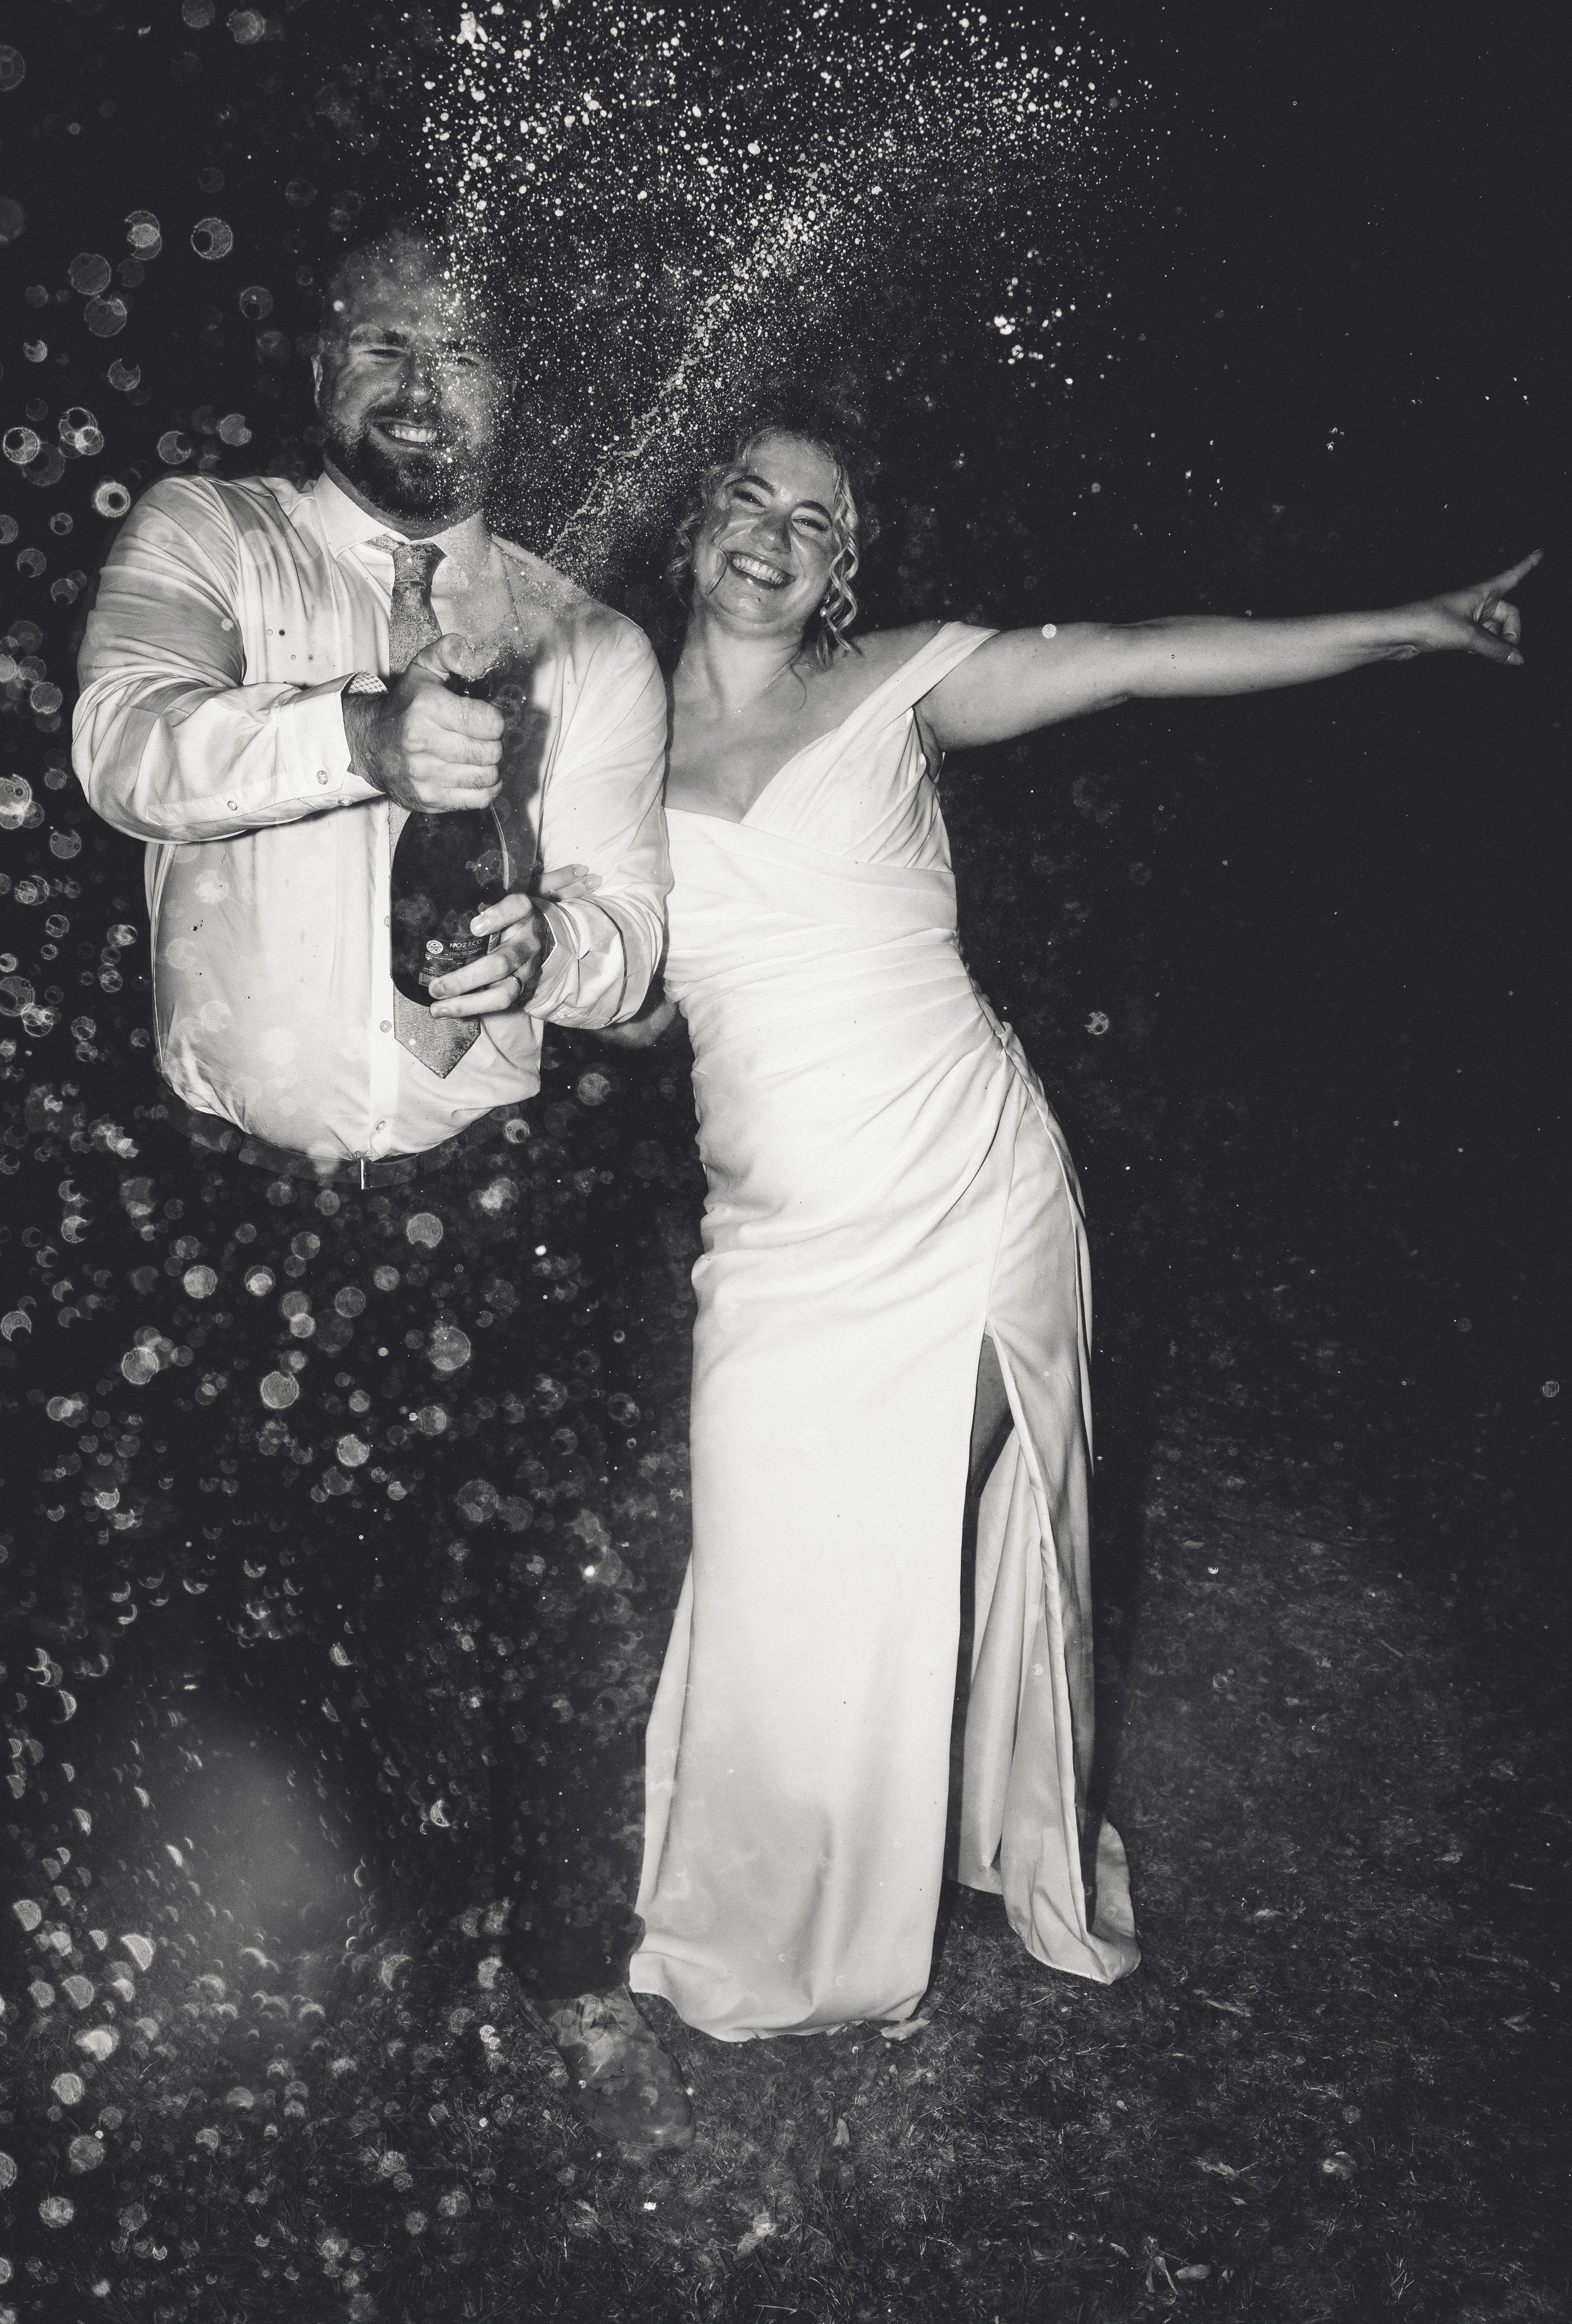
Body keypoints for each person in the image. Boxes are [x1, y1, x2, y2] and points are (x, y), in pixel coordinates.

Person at [620, 409, 1537, 2043]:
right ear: (698, 526)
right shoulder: (606, 750)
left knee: (893, 1548)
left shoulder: (897, 685)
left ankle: (870, 1923)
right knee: (773, 1564)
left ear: (845, 573)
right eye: (748, 499)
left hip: (969, 1192)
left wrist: (1395, 624)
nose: (772, 533)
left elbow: (1129, 656)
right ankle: (763, 1916)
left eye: (814, 522)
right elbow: (620, 1000)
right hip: (774, 1239)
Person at [72, 219, 692, 2150]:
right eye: (386, 339)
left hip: (470, 1205)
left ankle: (533, 1975)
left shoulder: (582, 633)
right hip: (222, 1213)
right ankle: (325, 1975)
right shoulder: (211, 534)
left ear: (523, 391)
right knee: (259, 1603)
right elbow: (121, 746)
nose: (422, 378)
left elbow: (627, 938)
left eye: (467, 348)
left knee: (511, 1596)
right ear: (325, 361)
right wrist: (351, 735)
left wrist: (551, 960)